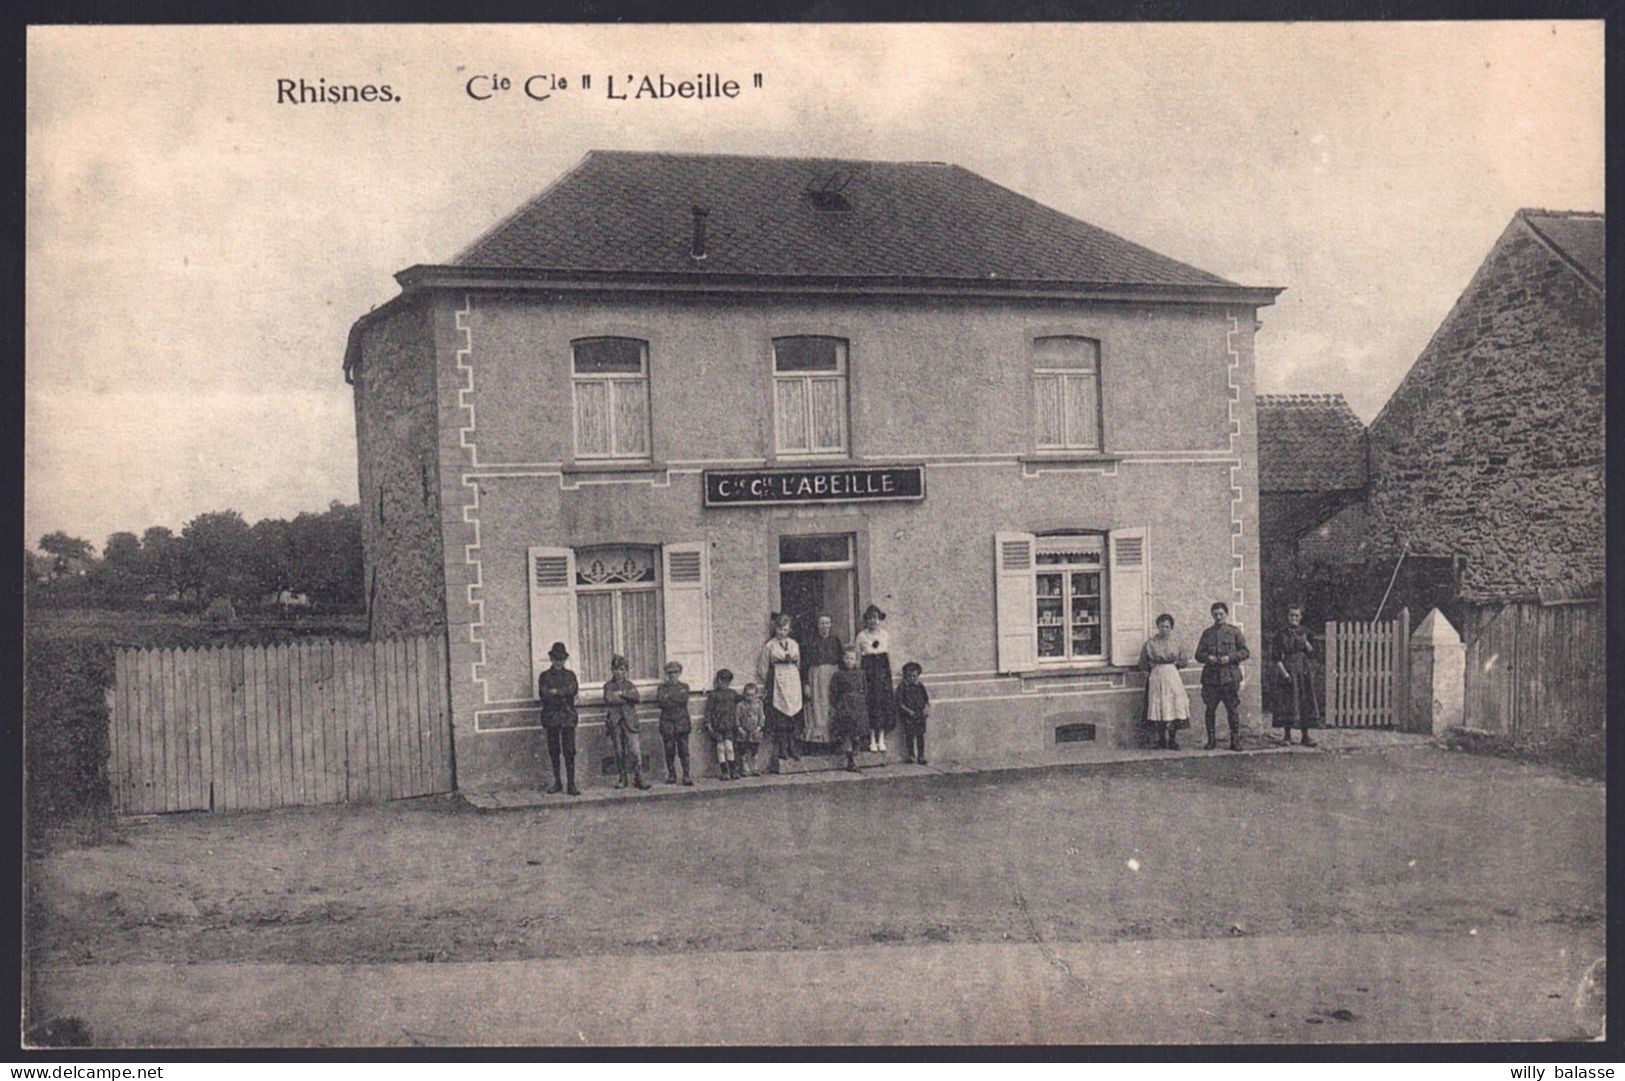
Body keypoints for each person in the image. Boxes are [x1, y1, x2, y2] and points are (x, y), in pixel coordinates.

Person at [1195, 601, 1250, 751]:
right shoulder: (1207, 633)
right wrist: (1208, 658)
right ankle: (1211, 741)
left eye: (1221, 614)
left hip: (1230, 678)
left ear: (1226, 614)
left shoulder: (1234, 632)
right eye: (1215, 614)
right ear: (1212, 615)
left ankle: (1235, 740)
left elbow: (1245, 652)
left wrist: (1230, 658)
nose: (1218, 617)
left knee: (1232, 710)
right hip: (1211, 679)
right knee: (1210, 709)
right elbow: (1198, 654)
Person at [756, 613, 804, 770]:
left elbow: (798, 663)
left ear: (789, 630)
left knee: (794, 714)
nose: (782, 632)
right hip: (778, 679)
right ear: (775, 629)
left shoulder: (794, 644)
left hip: (792, 679)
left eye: (785, 629)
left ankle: (792, 747)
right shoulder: (770, 646)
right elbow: (763, 668)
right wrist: (768, 683)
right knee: (782, 716)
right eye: (779, 629)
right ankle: (783, 748)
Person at [1139, 614, 1191, 750]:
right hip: (1156, 675)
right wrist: (1151, 670)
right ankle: (1161, 739)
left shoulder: (1176, 642)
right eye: (1162, 626)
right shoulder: (1151, 643)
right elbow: (1143, 662)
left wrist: (1172, 667)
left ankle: (1172, 740)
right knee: (1160, 706)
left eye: (1167, 627)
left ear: (1171, 628)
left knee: (1173, 705)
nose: (1165, 629)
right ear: (1158, 627)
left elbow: (1183, 660)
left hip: (1172, 675)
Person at [536, 641, 581, 796]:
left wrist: (556, 691)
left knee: (569, 751)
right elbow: (544, 694)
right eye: (556, 658)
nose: (558, 662)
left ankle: (571, 784)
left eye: (561, 659)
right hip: (552, 717)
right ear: (551, 659)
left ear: (565, 660)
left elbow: (573, 690)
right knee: (554, 750)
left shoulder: (570, 675)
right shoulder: (544, 676)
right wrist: (562, 692)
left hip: (567, 716)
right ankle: (557, 783)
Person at [1272, 604, 1320, 747]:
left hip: (1303, 671)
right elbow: (1276, 657)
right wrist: (1284, 673)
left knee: (1304, 701)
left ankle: (1305, 736)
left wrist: (1306, 643)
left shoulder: (1307, 632)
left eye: (1297, 616)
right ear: (1288, 617)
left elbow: (1314, 653)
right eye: (1291, 615)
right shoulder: (1281, 634)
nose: (1294, 618)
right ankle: (1287, 736)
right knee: (1288, 702)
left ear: (1301, 617)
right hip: (1288, 669)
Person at [602, 654, 651, 790]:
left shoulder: (630, 685)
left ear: (626, 671)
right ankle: (622, 777)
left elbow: (636, 698)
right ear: (612, 670)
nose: (619, 672)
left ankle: (639, 777)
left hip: (630, 722)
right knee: (619, 750)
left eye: (622, 669)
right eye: (616, 669)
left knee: (635, 749)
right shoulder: (608, 686)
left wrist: (622, 695)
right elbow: (609, 699)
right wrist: (626, 697)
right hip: (615, 721)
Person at [854, 604, 898, 753]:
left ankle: (881, 739)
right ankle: (872, 739)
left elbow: (888, 655)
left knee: (883, 703)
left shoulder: (885, 635)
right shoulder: (861, 636)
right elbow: (858, 657)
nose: (873, 621)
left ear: (879, 619)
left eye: (876, 618)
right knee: (871, 703)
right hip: (869, 671)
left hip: (882, 671)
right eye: (870, 618)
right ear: (866, 620)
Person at [800, 614, 843, 745]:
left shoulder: (835, 640)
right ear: (817, 625)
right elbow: (805, 664)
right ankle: (817, 741)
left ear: (830, 625)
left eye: (827, 623)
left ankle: (832, 739)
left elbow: (841, 661)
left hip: (832, 677)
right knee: (817, 707)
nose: (824, 626)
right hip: (815, 678)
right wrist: (806, 683)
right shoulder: (811, 641)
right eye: (822, 623)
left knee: (830, 705)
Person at [829, 646, 868, 773]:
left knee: (857, 734)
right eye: (847, 658)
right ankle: (850, 759)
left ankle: (855, 757)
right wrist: (835, 706)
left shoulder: (861, 673)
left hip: (858, 706)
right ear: (843, 659)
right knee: (847, 732)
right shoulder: (838, 674)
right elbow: (833, 692)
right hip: (845, 705)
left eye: (852, 658)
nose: (849, 661)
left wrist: (862, 701)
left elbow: (865, 689)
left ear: (856, 660)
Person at [656, 661, 694, 786]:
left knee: (684, 750)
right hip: (667, 722)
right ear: (666, 674)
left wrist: (669, 697)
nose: (672, 675)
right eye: (670, 673)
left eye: (675, 672)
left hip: (682, 722)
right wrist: (673, 698)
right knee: (669, 750)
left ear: (680, 673)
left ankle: (686, 775)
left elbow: (683, 700)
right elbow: (661, 703)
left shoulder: (685, 687)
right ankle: (672, 774)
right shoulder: (662, 688)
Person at [704, 669, 742, 780]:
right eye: (722, 681)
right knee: (720, 748)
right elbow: (708, 710)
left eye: (727, 682)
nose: (724, 684)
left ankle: (733, 770)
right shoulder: (713, 695)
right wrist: (708, 723)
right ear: (718, 681)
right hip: (717, 725)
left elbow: (742, 700)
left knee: (729, 747)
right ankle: (724, 771)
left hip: (729, 725)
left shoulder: (732, 693)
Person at [894, 661, 931, 764]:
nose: (912, 678)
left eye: (914, 676)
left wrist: (926, 708)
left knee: (920, 735)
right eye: (909, 676)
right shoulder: (903, 687)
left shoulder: (920, 686)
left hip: (919, 714)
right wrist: (908, 711)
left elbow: (926, 699)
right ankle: (911, 755)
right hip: (909, 715)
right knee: (909, 735)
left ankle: (921, 755)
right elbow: (899, 702)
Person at [736, 682, 765, 777]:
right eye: (748, 695)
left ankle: (755, 766)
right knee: (743, 748)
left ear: (756, 695)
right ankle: (745, 767)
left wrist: (759, 727)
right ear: (744, 694)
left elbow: (761, 716)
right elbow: (737, 717)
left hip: (755, 730)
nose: (750, 697)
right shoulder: (740, 705)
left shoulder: (758, 704)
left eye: (752, 695)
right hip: (744, 730)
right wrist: (739, 728)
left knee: (754, 748)